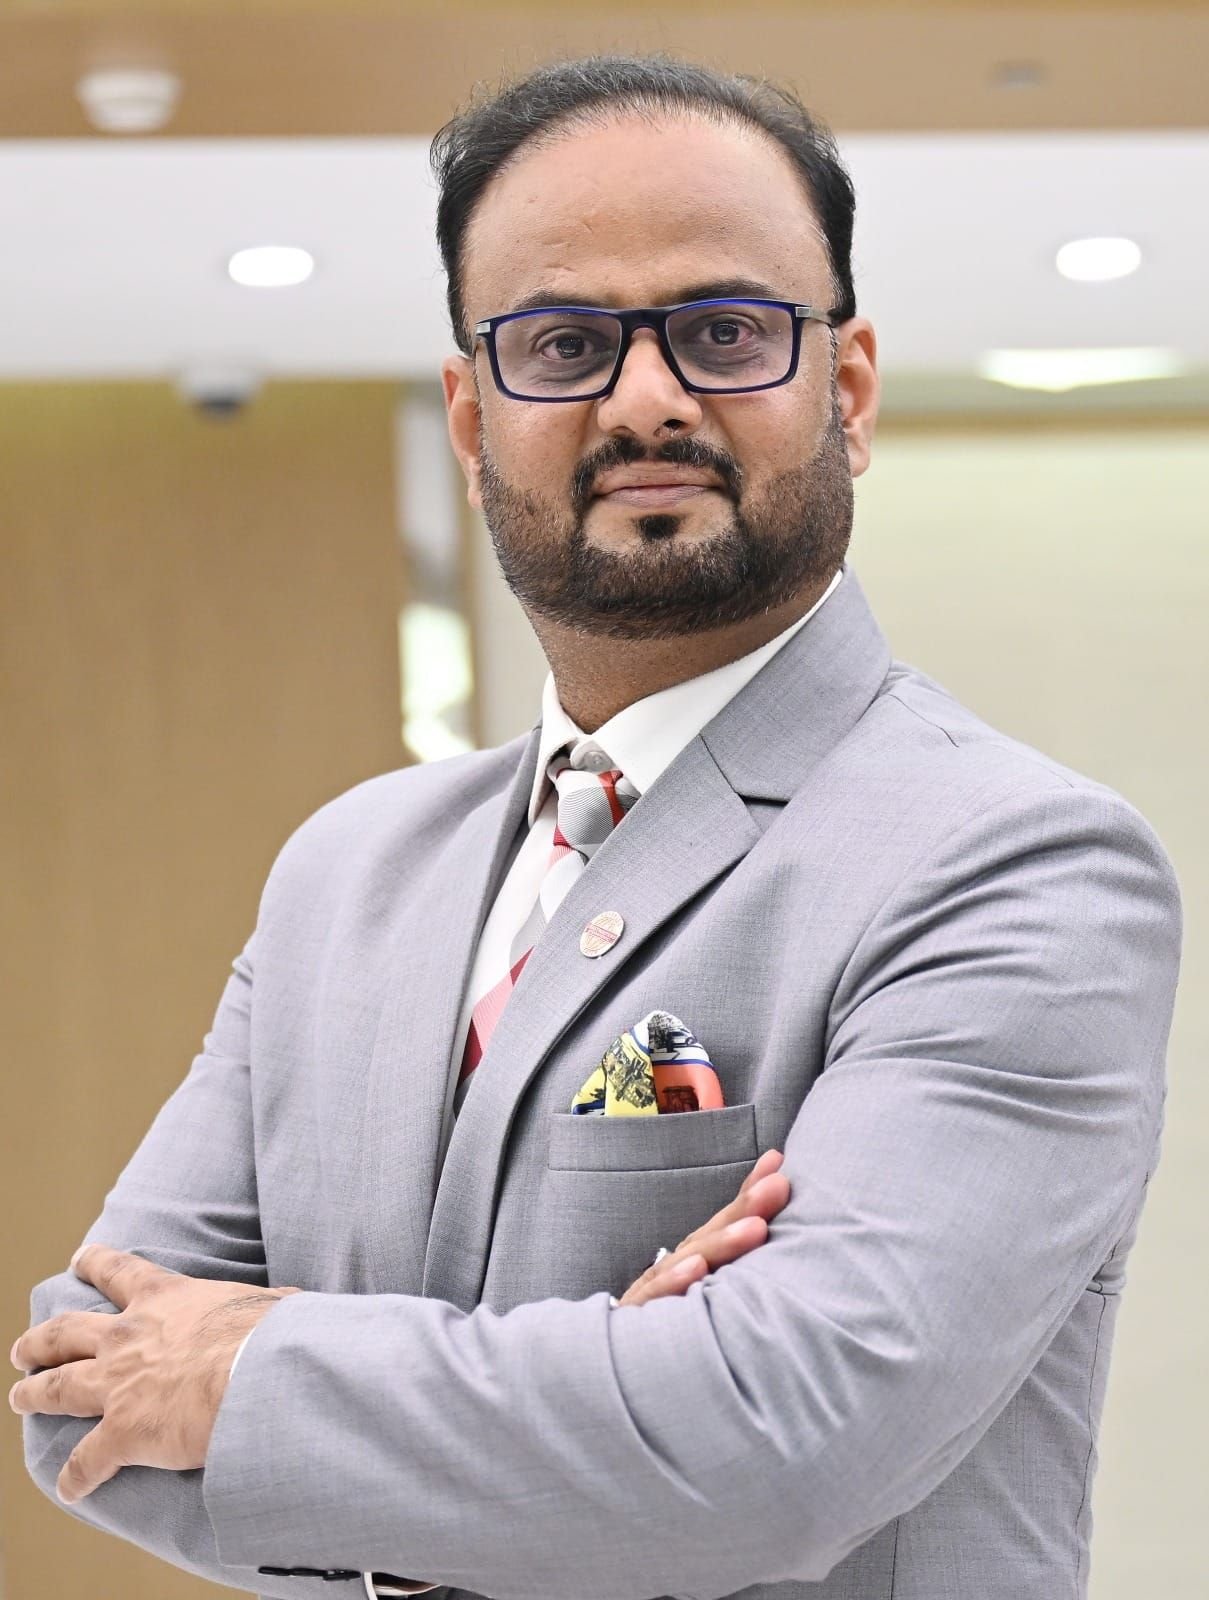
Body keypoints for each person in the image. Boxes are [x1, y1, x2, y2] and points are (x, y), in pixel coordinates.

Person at [12, 53, 1182, 1600]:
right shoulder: (347, 875)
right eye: (562, 344)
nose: (644, 400)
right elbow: (77, 1389)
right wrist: (597, 1425)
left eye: (723, 331)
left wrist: (258, 1380)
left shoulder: (1016, 867)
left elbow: (775, 1446)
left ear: (844, 390)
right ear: (470, 420)